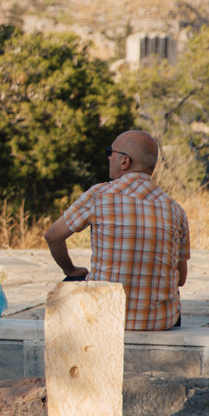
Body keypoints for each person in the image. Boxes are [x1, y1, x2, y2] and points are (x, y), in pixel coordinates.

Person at [43, 130, 190, 331]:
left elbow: (52, 237)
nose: (108, 157)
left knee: (73, 280)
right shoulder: (175, 209)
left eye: (110, 152)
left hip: (106, 318)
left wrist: (71, 270)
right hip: (160, 322)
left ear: (124, 161)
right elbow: (180, 279)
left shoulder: (99, 195)